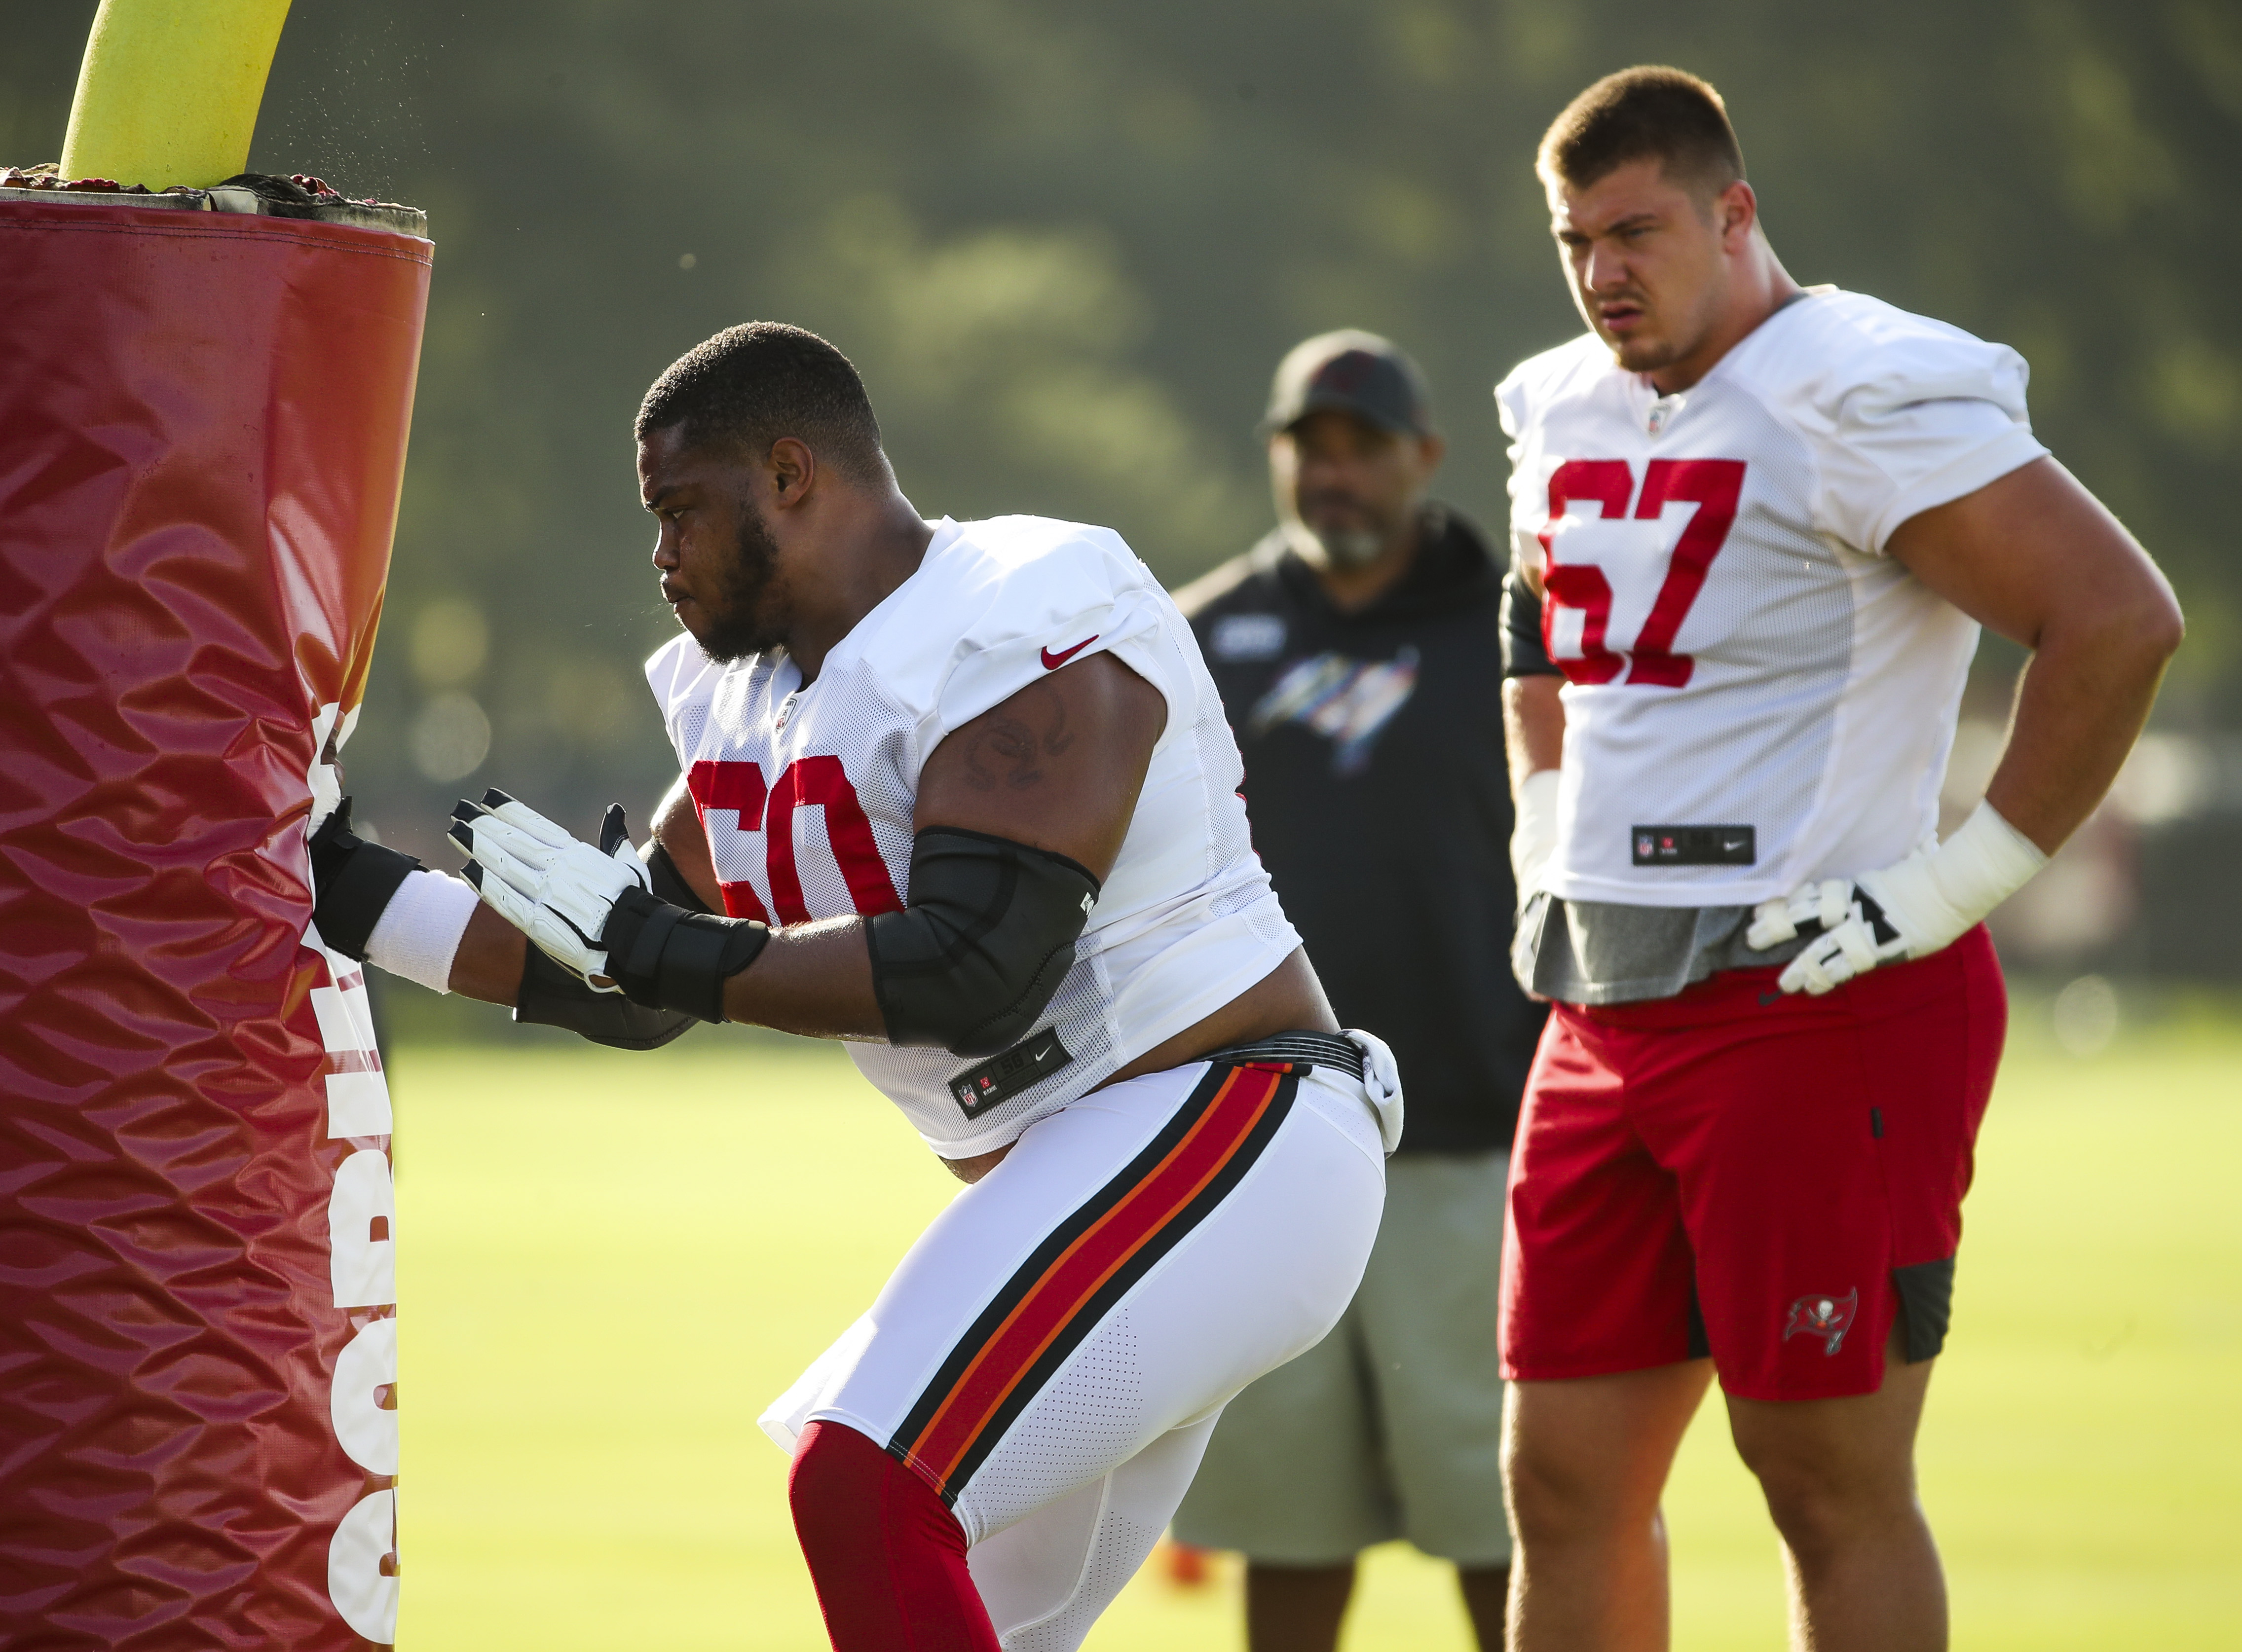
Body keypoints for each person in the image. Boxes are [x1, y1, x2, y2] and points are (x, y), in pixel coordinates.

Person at [305, 322, 1400, 1652]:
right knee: (965, 1610)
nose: (662, 558)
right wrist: (338, 885)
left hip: (1231, 1123)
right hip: (1106, 1166)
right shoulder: (753, 706)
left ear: (789, 474)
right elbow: (626, 981)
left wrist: (657, 948)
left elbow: (979, 968)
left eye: (680, 511)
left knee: (868, 1479)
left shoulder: (1020, 608)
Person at [1492, 67, 2183, 1652]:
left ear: (1735, 215)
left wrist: (1959, 881)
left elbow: (2118, 619)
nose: (1604, 270)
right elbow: (1543, 614)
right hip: (1603, 1010)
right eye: (1574, 238)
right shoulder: (1561, 400)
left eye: (1639, 230)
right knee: (1559, 1481)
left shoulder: (1858, 386)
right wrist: (1545, 818)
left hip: (1814, 992)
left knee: (1824, 1479)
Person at [1166, 330, 1544, 1651]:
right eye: (1306, 448)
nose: (1333, 475)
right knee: (1290, 1528)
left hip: (1477, 1143)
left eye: (1362, 448)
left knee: (1504, 1520)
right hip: (1265, 1146)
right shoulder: (1203, 635)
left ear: (1424, 458)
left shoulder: (1518, 623)